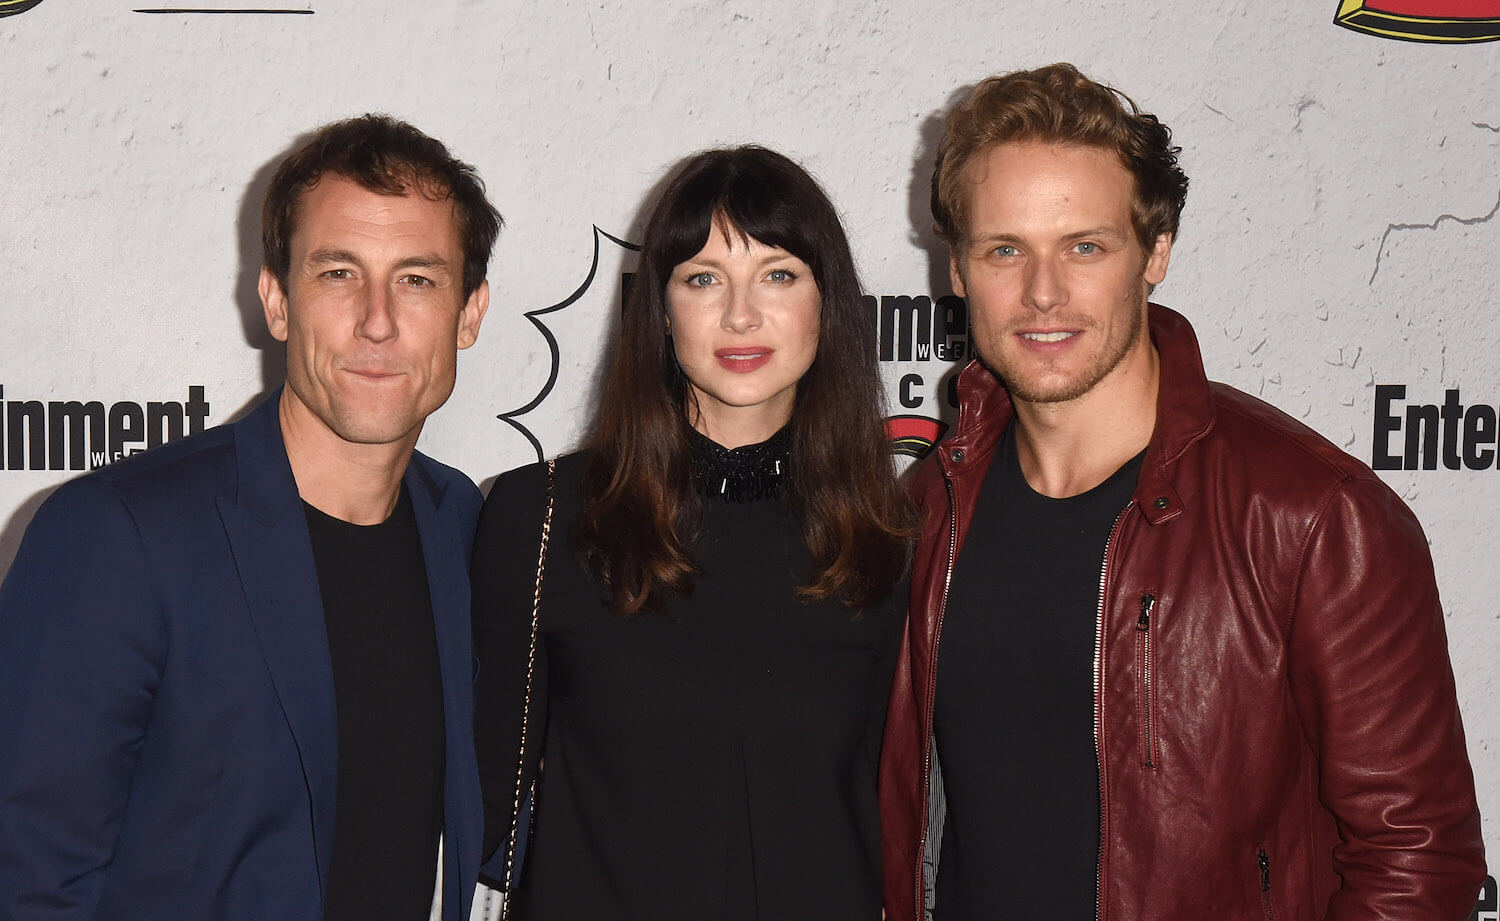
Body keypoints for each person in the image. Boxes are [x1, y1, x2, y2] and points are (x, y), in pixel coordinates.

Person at [879, 63, 1486, 921]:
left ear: (1156, 253)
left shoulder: (1314, 517)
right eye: (1004, 249)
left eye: (1085, 246)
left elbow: (1418, 862)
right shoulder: (931, 509)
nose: (1043, 291)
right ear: (957, 270)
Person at [0, 114, 500, 921]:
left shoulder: (468, 528)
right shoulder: (117, 535)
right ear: (276, 299)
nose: (377, 319)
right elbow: (23, 877)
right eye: (338, 273)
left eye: (417, 278)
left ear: (469, 313)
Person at [472, 145, 913, 921]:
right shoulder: (542, 518)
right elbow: (476, 810)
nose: (741, 314)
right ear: (661, 308)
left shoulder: (889, 540)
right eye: (703, 278)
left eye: (778, 274)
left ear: (827, 302)